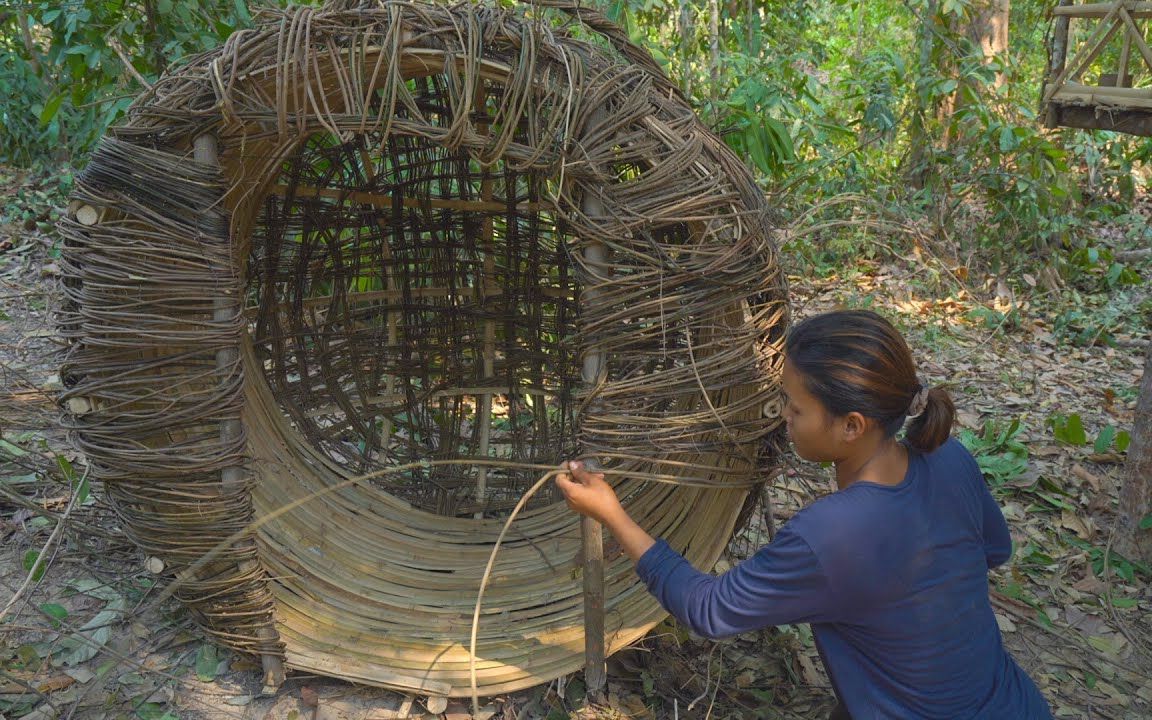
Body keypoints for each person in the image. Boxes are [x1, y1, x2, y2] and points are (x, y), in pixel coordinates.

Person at [556, 309, 1052, 719]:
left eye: (795, 409)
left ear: (851, 425)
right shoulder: (951, 457)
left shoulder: (834, 533)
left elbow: (707, 610)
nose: (784, 418)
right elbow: (993, 549)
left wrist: (611, 514)